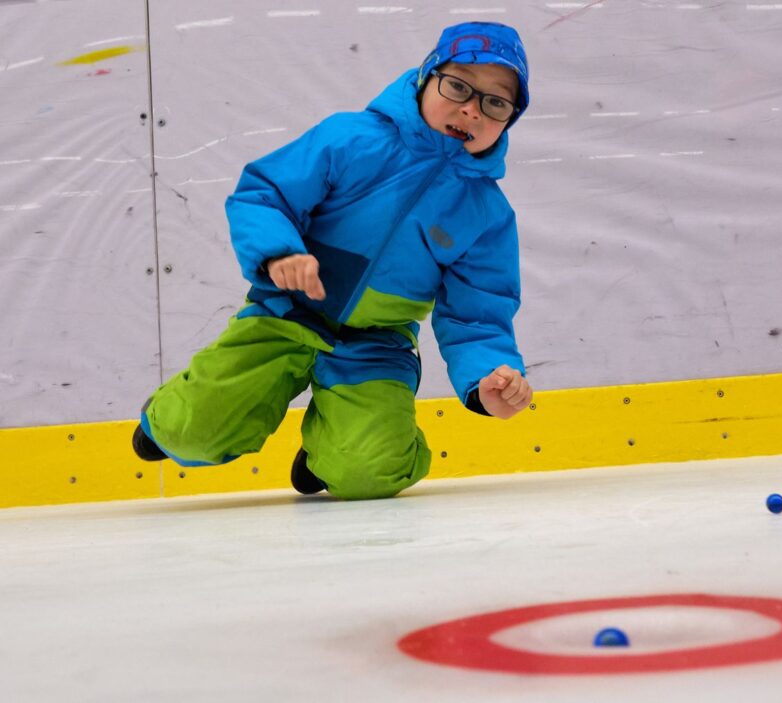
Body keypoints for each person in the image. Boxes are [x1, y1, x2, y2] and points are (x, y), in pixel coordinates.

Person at [131, 21, 534, 500]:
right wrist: (280, 253)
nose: (471, 108)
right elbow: (265, 195)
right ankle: (168, 418)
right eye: (459, 85)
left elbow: (478, 314)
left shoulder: (486, 214)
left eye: (495, 102)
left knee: (370, 473)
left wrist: (488, 379)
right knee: (189, 430)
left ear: (508, 120)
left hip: (376, 341)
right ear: (427, 77)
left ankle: (328, 452)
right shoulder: (350, 139)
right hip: (286, 313)